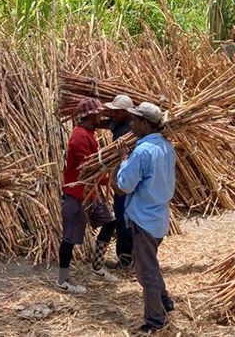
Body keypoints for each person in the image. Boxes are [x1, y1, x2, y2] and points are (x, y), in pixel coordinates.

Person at [114, 102, 176, 334]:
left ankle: (154, 321)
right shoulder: (167, 147)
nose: (131, 123)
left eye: (135, 120)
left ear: (146, 124)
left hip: (144, 219)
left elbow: (125, 185)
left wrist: (123, 160)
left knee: (145, 271)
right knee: (151, 264)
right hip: (158, 217)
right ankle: (166, 301)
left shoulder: (141, 151)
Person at [58, 97, 120, 294]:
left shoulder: (87, 133)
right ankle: (63, 280)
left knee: (110, 222)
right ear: (91, 115)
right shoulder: (80, 137)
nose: (102, 116)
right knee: (69, 238)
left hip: (90, 194)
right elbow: (88, 170)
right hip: (76, 195)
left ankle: (97, 267)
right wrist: (108, 174)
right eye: (99, 113)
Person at [99, 94, 135, 269]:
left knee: (125, 218)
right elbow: (102, 123)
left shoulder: (134, 129)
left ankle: (127, 259)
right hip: (121, 178)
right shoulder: (118, 123)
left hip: (130, 180)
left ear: (125, 112)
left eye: (116, 112)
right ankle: (127, 258)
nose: (113, 114)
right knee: (121, 217)